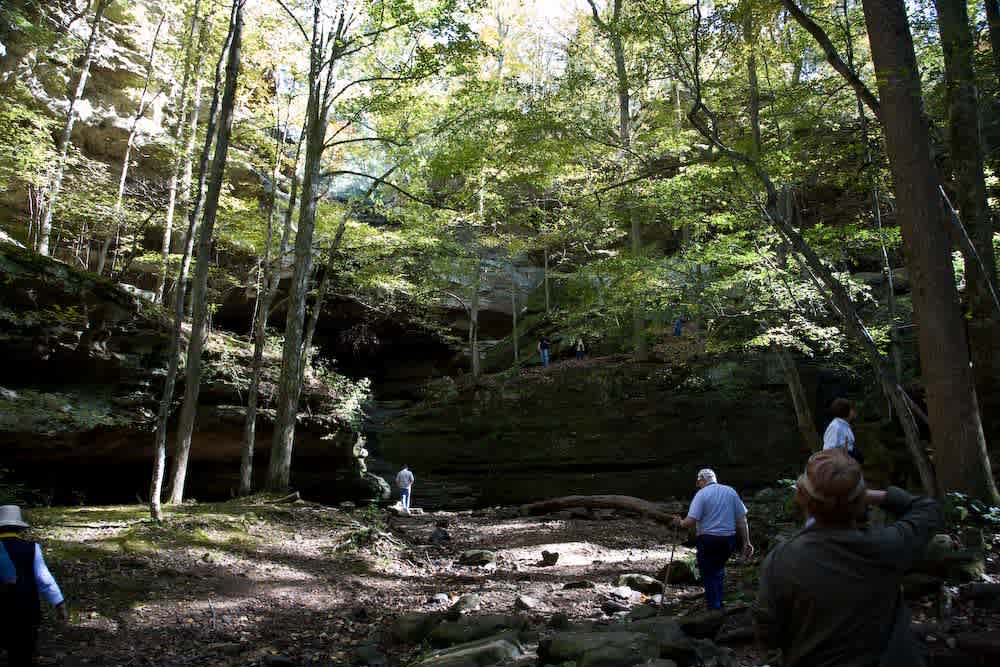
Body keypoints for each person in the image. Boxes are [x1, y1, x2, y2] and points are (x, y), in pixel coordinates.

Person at [753, 449, 942, 667]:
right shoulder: (889, 545)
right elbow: (928, 509)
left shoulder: (783, 560)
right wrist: (871, 495)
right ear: (861, 500)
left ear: (801, 497)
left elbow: (768, 633)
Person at [673, 469, 753, 610]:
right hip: (728, 540)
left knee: (708, 572)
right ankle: (718, 603)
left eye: (699, 482)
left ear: (702, 480)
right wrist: (747, 542)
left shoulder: (701, 494)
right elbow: (742, 519)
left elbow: (690, 521)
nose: (698, 485)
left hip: (708, 539)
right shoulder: (730, 491)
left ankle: (713, 608)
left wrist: (679, 522)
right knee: (719, 570)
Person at [0, 505, 68, 666]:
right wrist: (59, 603)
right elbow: (44, 578)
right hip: (26, 608)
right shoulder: (32, 548)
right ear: (19, 527)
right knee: (23, 652)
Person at [823, 398, 862, 463]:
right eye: (852, 409)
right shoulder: (835, 427)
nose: (854, 412)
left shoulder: (845, 425)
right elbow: (828, 451)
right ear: (845, 411)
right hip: (840, 466)